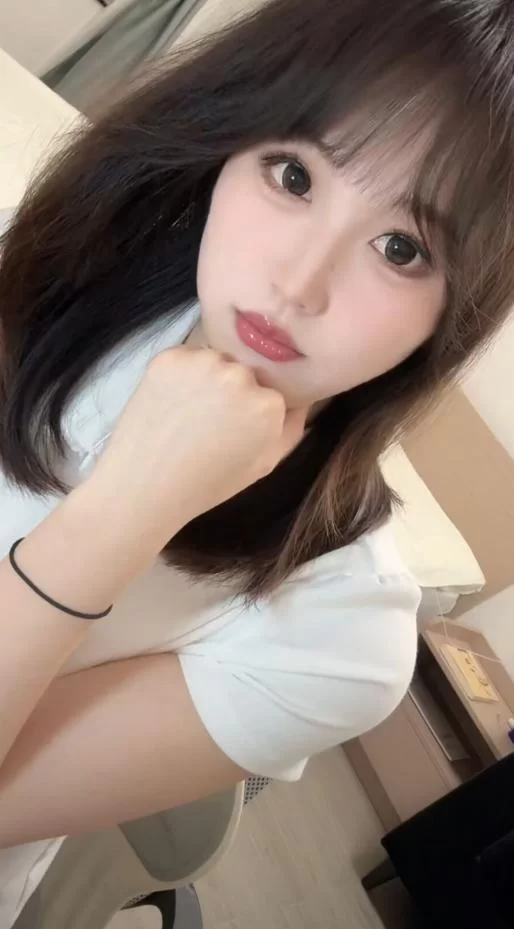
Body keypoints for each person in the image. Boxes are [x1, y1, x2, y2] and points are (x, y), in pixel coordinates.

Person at [0, 0, 513, 922]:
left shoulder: (340, 633)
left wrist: (119, 518)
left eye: (401, 248)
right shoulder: (53, 273)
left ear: (456, 312)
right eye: (294, 174)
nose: (296, 282)